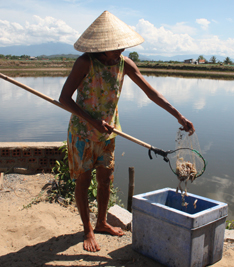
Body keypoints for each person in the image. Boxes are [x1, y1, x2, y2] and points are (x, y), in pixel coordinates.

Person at [59, 10, 195, 252]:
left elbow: (151, 93)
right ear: (102, 47)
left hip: (109, 132)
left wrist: (178, 115)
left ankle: (101, 222)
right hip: (83, 132)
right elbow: (64, 99)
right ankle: (87, 229)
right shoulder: (85, 62)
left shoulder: (124, 63)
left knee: (105, 178)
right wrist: (91, 121)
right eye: (116, 47)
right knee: (84, 179)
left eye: (123, 46)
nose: (121, 51)